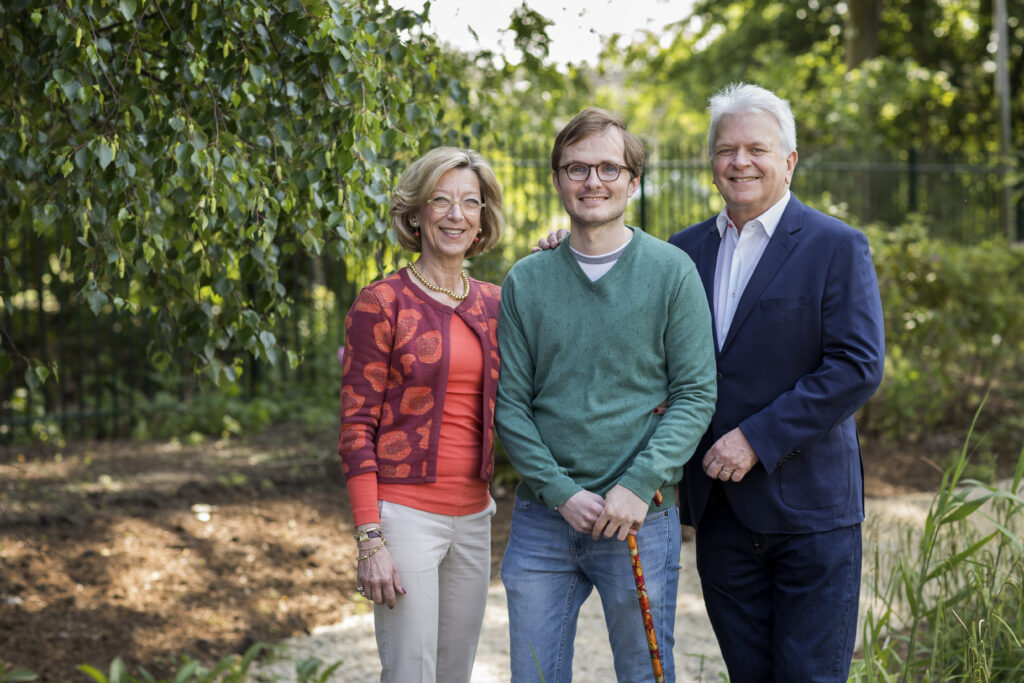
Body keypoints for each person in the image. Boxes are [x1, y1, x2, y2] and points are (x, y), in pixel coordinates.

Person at [666, 83, 886, 682]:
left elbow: (857, 365)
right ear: (711, 162)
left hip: (811, 512)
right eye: (726, 149)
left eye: (756, 149)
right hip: (721, 513)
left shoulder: (835, 246)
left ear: (789, 161)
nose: (740, 161)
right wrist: (564, 251)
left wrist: (755, 439)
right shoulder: (681, 253)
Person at [496, 107, 717, 683]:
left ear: (633, 181)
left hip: (639, 516)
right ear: (557, 179)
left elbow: (695, 394)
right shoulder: (527, 280)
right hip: (544, 521)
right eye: (577, 168)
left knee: (645, 675)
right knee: (534, 676)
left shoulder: (672, 272)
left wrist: (638, 484)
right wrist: (561, 493)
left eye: (608, 168)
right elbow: (511, 406)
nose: (593, 181)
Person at [337, 146, 505, 683]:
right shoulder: (382, 302)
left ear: (482, 218)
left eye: (470, 202)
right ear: (415, 214)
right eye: (441, 200)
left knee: (455, 673)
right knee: (411, 672)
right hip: (405, 517)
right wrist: (370, 539)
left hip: (475, 517)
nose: (456, 214)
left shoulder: (497, 304)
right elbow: (356, 428)